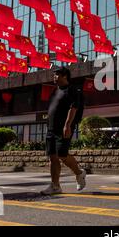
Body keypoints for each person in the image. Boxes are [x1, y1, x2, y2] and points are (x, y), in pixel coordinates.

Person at [41, 67, 86, 195]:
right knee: (52, 156)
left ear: (65, 76)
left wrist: (68, 125)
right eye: (54, 75)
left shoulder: (72, 90)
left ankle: (79, 173)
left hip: (63, 128)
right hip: (51, 128)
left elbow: (74, 107)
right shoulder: (55, 91)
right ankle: (55, 186)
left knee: (62, 154)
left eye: (56, 75)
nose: (54, 77)